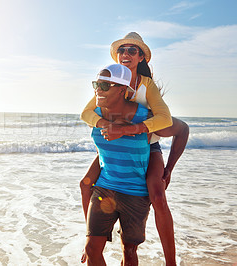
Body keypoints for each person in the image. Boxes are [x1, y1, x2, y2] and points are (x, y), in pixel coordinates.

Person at [80, 32, 189, 265]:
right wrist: (108, 126)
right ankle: (90, 242)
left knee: (158, 196)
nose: (125, 54)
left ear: (141, 58)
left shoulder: (145, 84)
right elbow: (86, 113)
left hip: (147, 145)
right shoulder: (108, 81)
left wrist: (168, 168)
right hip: (116, 145)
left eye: (132, 50)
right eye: (122, 50)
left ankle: (171, 261)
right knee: (85, 183)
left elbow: (165, 119)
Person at [84, 63, 153, 265]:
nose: (98, 89)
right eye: (96, 84)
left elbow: (181, 129)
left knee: (129, 252)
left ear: (123, 89)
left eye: (105, 86)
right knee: (91, 250)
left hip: (135, 191)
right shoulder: (94, 115)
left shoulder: (146, 115)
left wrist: (169, 169)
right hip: (105, 186)